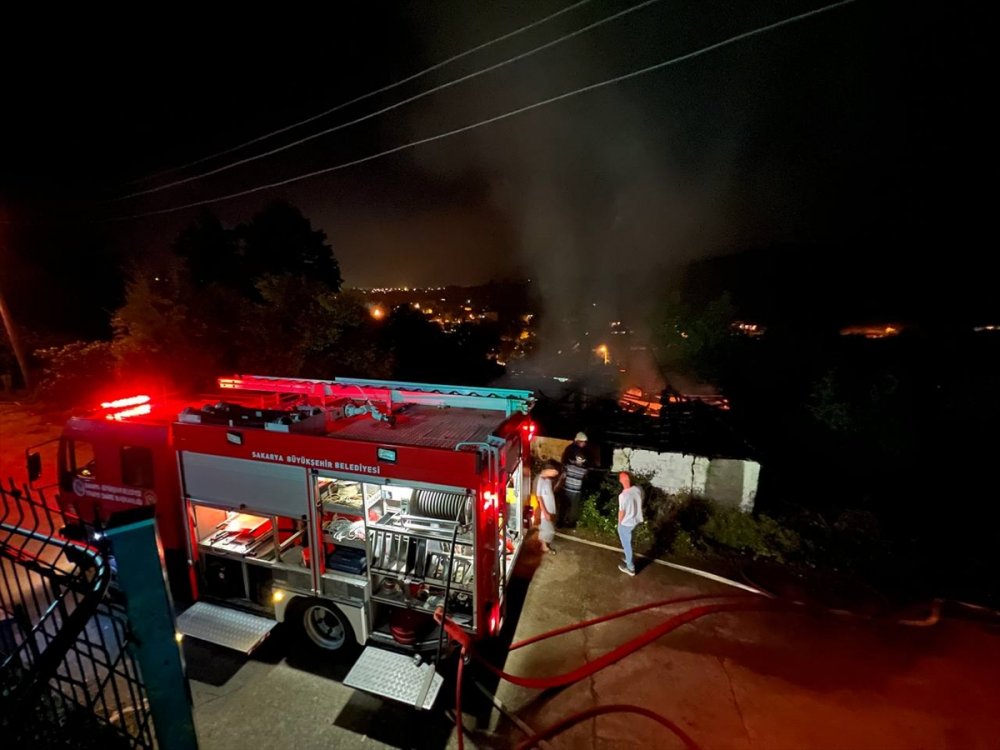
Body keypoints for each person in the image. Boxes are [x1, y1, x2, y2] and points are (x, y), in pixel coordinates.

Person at [559, 432, 591, 528]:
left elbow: (565, 463)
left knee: (565, 505)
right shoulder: (573, 450)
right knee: (572, 506)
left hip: (568, 484)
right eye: (583, 442)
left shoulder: (572, 450)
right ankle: (569, 522)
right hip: (574, 486)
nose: (584, 444)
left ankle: (561, 521)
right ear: (578, 441)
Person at [617, 471, 643, 576]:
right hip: (635, 520)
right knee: (628, 542)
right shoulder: (637, 489)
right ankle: (628, 558)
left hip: (626, 523)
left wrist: (619, 522)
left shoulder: (622, 496)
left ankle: (630, 568)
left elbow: (621, 512)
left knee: (626, 544)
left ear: (621, 481)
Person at [535, 463, 560, 554]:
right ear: (547, 470)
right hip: (544, 510)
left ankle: (543, 546)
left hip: (550, 507)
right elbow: (539, 497)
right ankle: (544, 547)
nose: (554, 474)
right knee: (548, 530)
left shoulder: (548, 480)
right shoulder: (540, 479)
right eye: (553, 472)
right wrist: (545, 512)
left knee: (547, 528)